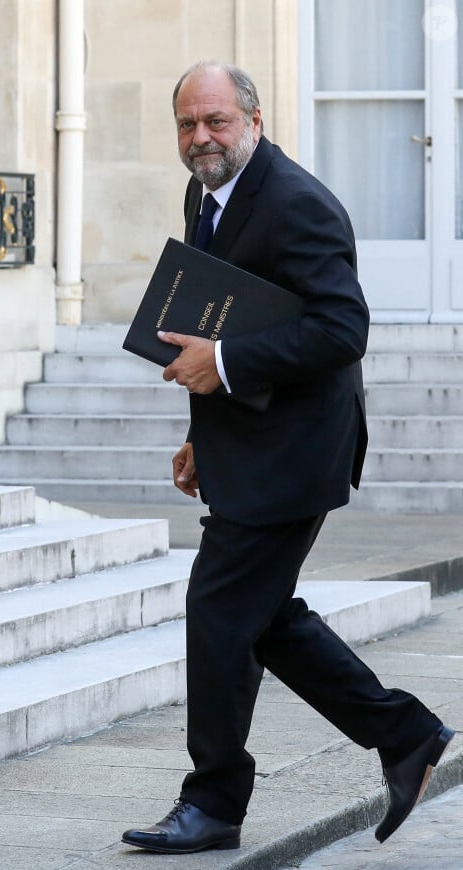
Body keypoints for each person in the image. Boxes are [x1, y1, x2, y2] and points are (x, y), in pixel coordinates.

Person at [121, 61, 454, 855]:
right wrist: (206, 431)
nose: (200, 138)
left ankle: (213, 803)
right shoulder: (205, 193)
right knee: (262, 620)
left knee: (219, 613)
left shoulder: (300, 204)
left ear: (255, 119)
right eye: (187, 125)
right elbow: (216, 312)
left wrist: (225, 365)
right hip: (249, 448)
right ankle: (405, 735)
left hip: (296, 456)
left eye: (216, 122)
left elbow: (342, 331)